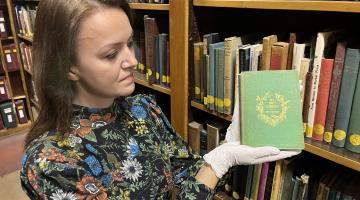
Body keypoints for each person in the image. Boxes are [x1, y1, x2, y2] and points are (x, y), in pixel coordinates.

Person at [20, 0, 300, 199]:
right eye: (110, 54)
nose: (132, 61)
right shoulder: (51, 163)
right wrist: (217, 165)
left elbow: (187, 171)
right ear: (69, 66)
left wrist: (223, 153)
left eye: (129, 44)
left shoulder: (144, 109)